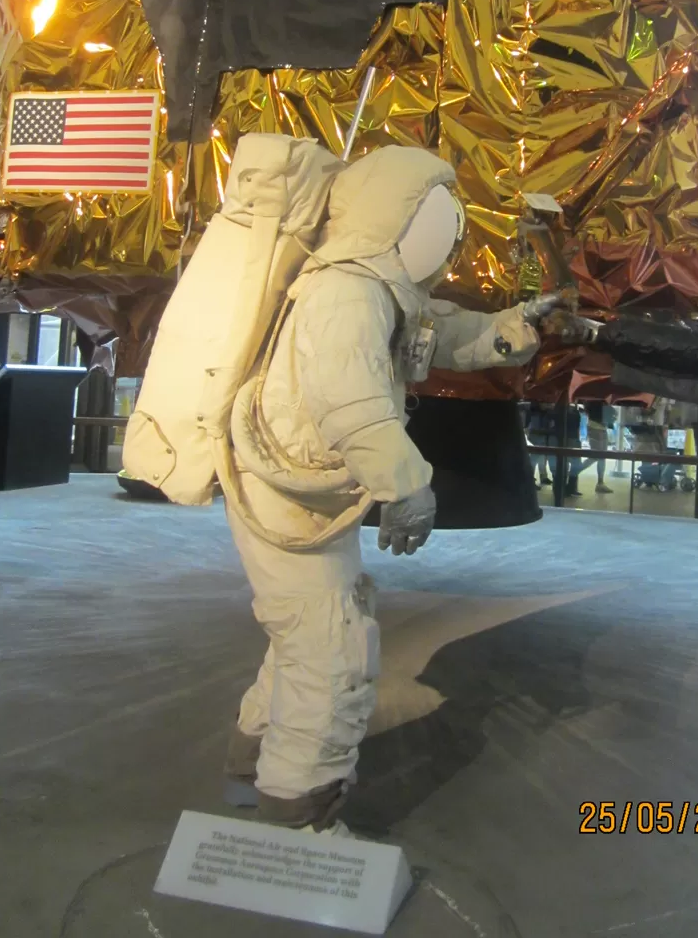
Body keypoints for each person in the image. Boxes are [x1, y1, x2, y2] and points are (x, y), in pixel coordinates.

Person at [221, 146, 566, 834]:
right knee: (332, 651)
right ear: (396, 219)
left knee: (312, 627)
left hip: (303, 492)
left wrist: (513, 328)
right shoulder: (345, 293)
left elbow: (445, 334)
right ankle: (298, 816)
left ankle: (257, 755)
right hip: (287, 495)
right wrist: (407, 486)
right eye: (433, 219)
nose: (443, 239)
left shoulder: (378, 292)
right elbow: (349, 401)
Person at [570, 401, 613, 494]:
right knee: (596, 456)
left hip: (600, 426)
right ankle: (574, 471)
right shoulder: (596, 398)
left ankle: (600, 482)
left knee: (602, 456)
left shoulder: (597, 398)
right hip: (596, 426)